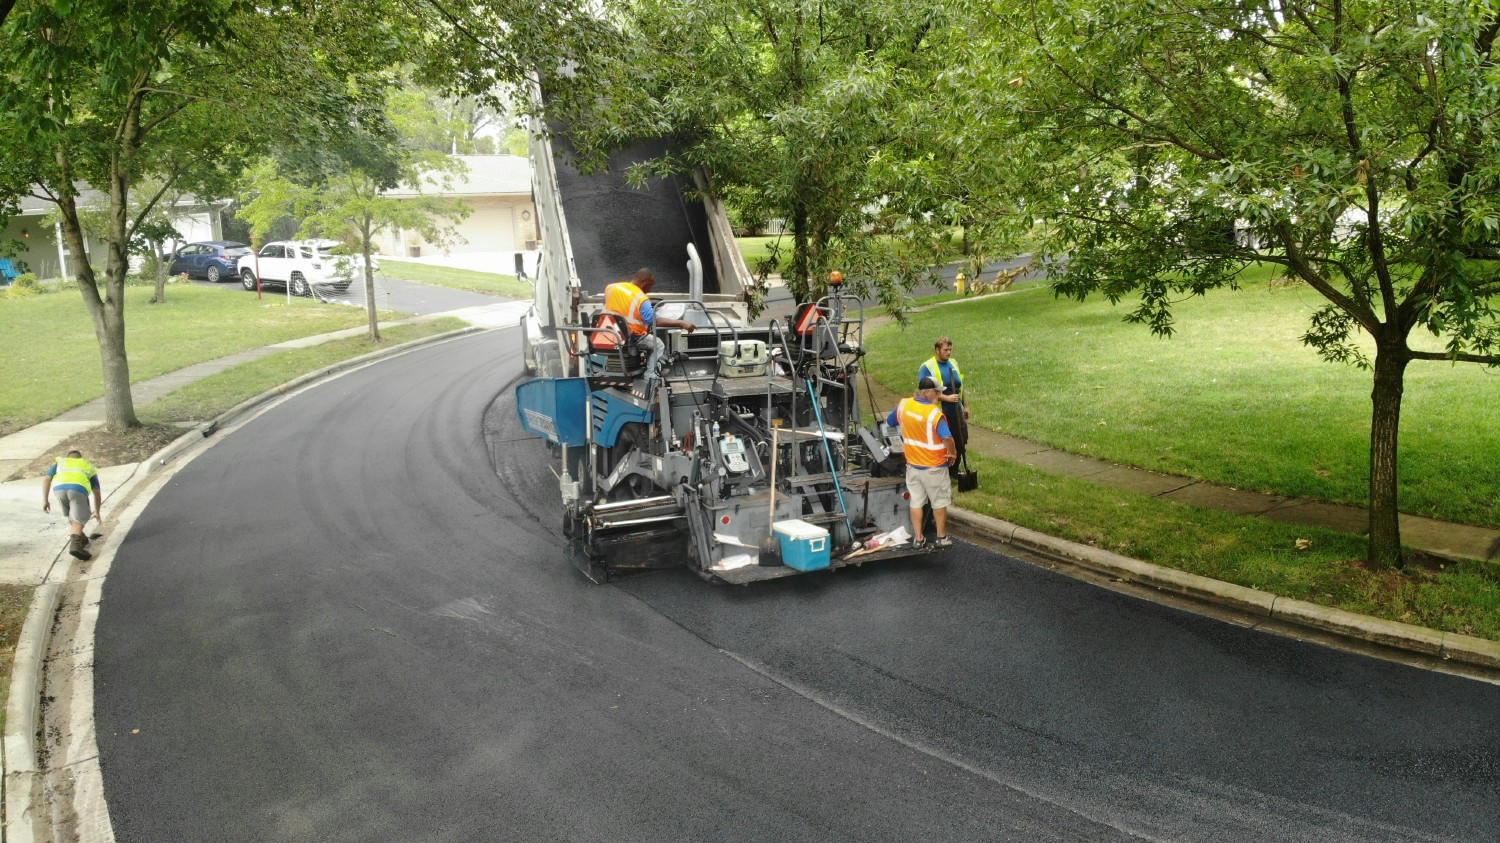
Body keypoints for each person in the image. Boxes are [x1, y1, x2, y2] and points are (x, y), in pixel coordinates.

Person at [885, 377, 958, 549]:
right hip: (934, 467)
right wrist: (952, 453)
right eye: (937, 391)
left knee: (916, 502)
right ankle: (941, 537)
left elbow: (890, 421)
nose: (939, 394)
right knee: (939, 502)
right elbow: (946, 437)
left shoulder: (904, 405)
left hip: (913, 466)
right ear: (926, 392)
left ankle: (918, 538)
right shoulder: (933, 414)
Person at [603, 268, 696, 389]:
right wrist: (681, 323)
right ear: (643, 283)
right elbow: (654, 320)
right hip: (631, 338)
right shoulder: (641, 299)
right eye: (650, 286)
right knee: (658, 344)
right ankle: (650, 375)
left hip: (607, 334)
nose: (650, 289)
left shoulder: (611, 288)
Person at [918, 337, 969, 477]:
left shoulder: (953, 363)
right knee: (945, 440)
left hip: (956, 409)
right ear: (937, 350)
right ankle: (943, 468)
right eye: (945, 350)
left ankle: (954, 470)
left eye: (950, 349)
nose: (949, 353)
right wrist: (946, 398)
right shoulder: (927, 367)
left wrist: (966, 406)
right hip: (940, 410)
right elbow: (925, 392)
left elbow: (961, 386)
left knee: (960, 439)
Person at [42, 449, 102, 560]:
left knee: (71, 515)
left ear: (68, 457)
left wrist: (45, 500)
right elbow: (96, 491)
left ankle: (82, 539)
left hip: (59, 489)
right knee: (79, 518)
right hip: (78, 489)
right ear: (80, 458)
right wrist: (97, 511)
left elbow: (46, 478)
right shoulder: (88, 465)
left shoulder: (60, 462)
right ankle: (75, 545)